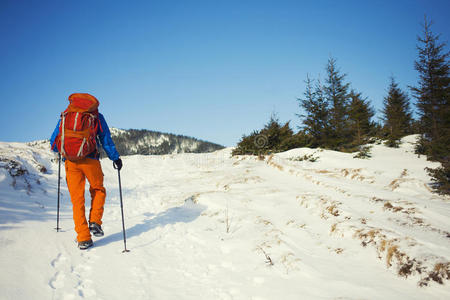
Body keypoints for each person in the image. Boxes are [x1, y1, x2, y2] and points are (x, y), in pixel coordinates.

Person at [50, 93, 122, 250]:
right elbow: (105, 138)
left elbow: (54, 141)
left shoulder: (65, 115)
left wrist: (64, 151)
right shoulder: (96, 116)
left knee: (77, 201)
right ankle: (95, 221)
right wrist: (115, 158)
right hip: (91, 160)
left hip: (71, 162)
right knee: (98, 189)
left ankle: (83, 238)